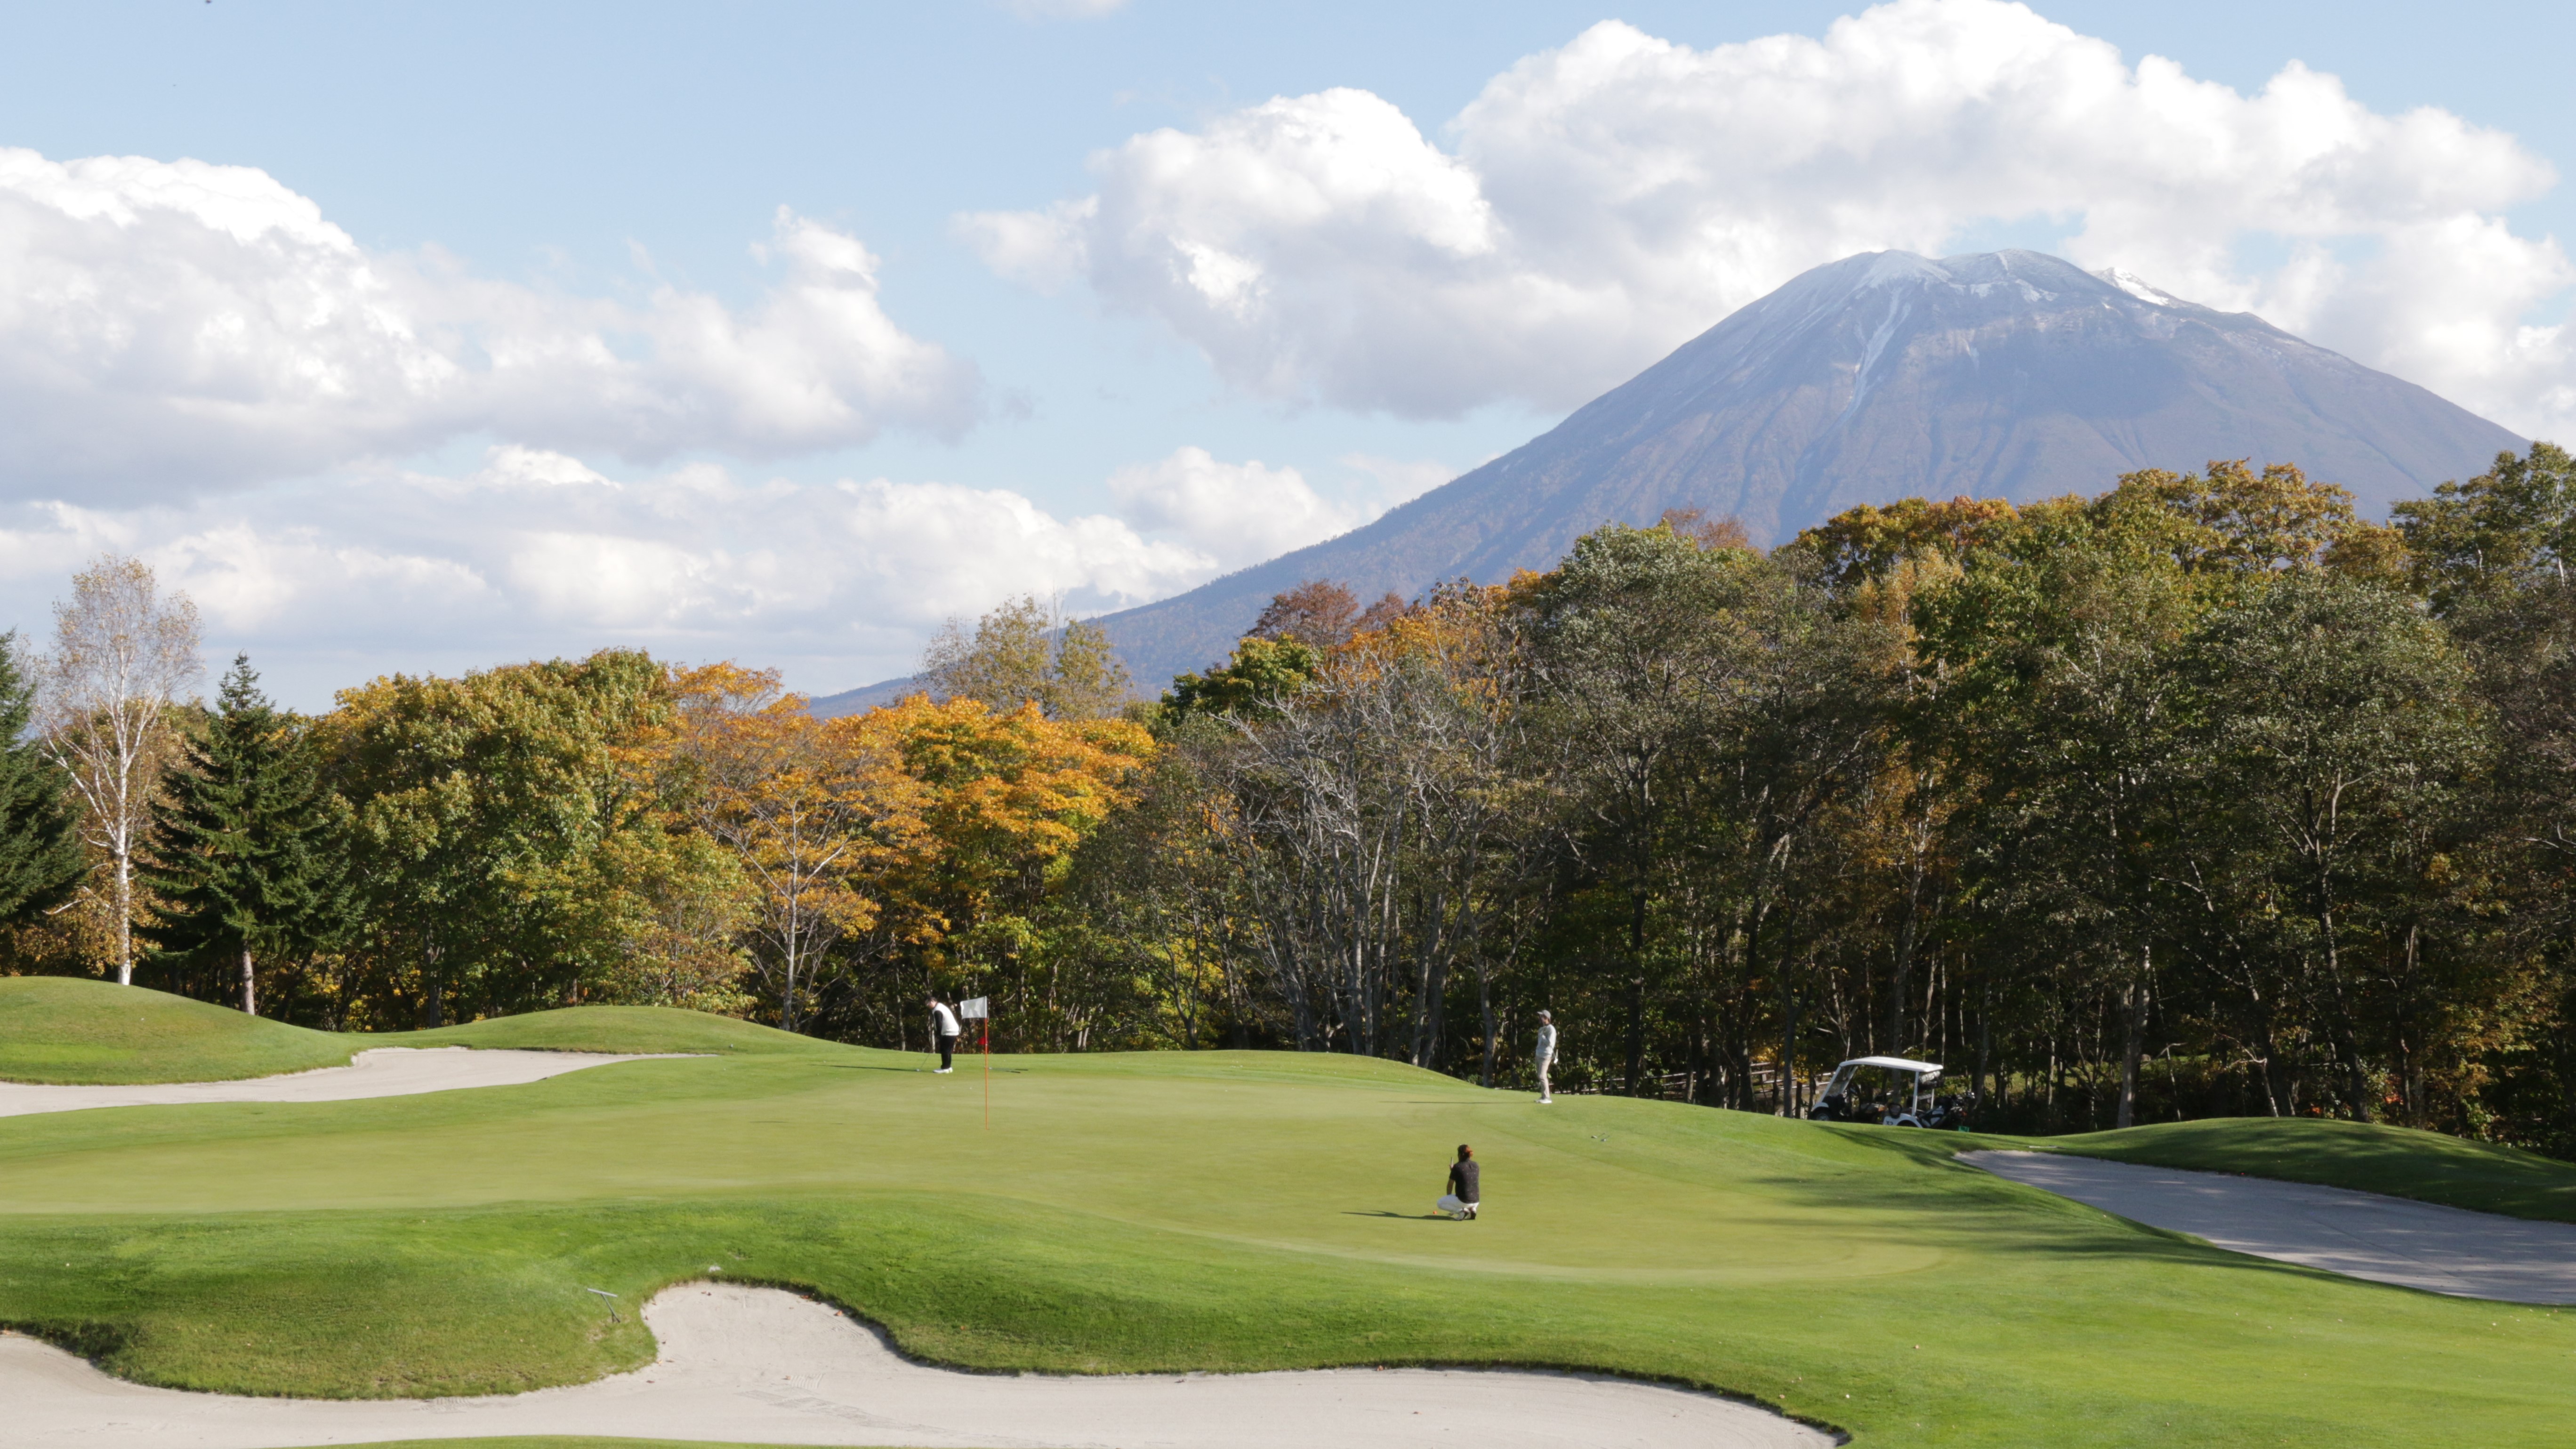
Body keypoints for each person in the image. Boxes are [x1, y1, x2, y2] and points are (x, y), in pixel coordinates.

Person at [928, 995, 961, 1073]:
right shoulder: (940, 1006)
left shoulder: (937, 1010)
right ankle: (948, 1067)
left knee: (945, 1049)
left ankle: (945, 1068)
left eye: (928, 1003)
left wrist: (938, 1035)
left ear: (933, 1001)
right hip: (953, 1030)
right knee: (948, 1050)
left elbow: (939, 1024)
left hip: (948, 1031)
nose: (928, 1006)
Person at [1447, 1144, 1480, 1220]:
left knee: (1440, 1203)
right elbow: (1466, 1175)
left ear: (1461, 1155)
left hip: (1464, 1201)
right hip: (1476, 1201)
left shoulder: (1457, 1167)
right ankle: (1473, 1209)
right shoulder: (1476, 1165)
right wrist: (1454, 1171)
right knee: (1469, 1202)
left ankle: (1462, 1211)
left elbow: (1450, 1185)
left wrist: (1448, 1198)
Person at [1534, 1010, 1557, 1104]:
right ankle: (1544, 1096)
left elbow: (1550, 1043)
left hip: (1546, 1055)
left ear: (1547, 1018)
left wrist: (1543, 1037)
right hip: (1539, 1054)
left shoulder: (1551, 1029)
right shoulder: (1541, 1029)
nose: (1541, 1018)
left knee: (1542, 1076)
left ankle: (1547, 1098)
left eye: (1542, 1017)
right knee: (1540, 1075)